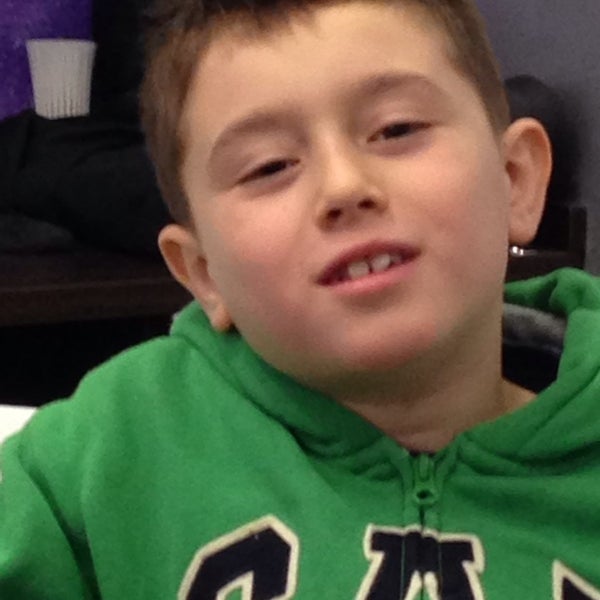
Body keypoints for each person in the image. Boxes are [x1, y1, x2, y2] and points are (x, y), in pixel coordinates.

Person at [1, 0, 599, 598]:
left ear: (515, 180)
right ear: (204, 275)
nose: (344, 186)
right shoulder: (111, 449)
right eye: (269, 167)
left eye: (397, 129)